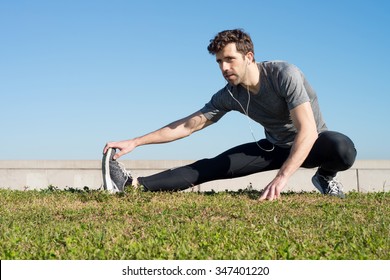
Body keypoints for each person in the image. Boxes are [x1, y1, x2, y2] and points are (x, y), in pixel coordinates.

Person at [102, 29, 357, 200]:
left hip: (314, 143)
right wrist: (135, 141)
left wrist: (282, 178)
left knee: (343, 148)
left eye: (229, 59)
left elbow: (308, 130)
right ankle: (134, 185)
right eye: (219, 62)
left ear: (249, 57)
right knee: (211, 166)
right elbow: (187, 126)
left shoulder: (283, 75)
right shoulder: (230, 94)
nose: (224, 68)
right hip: (275, 147)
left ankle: (324, 177)